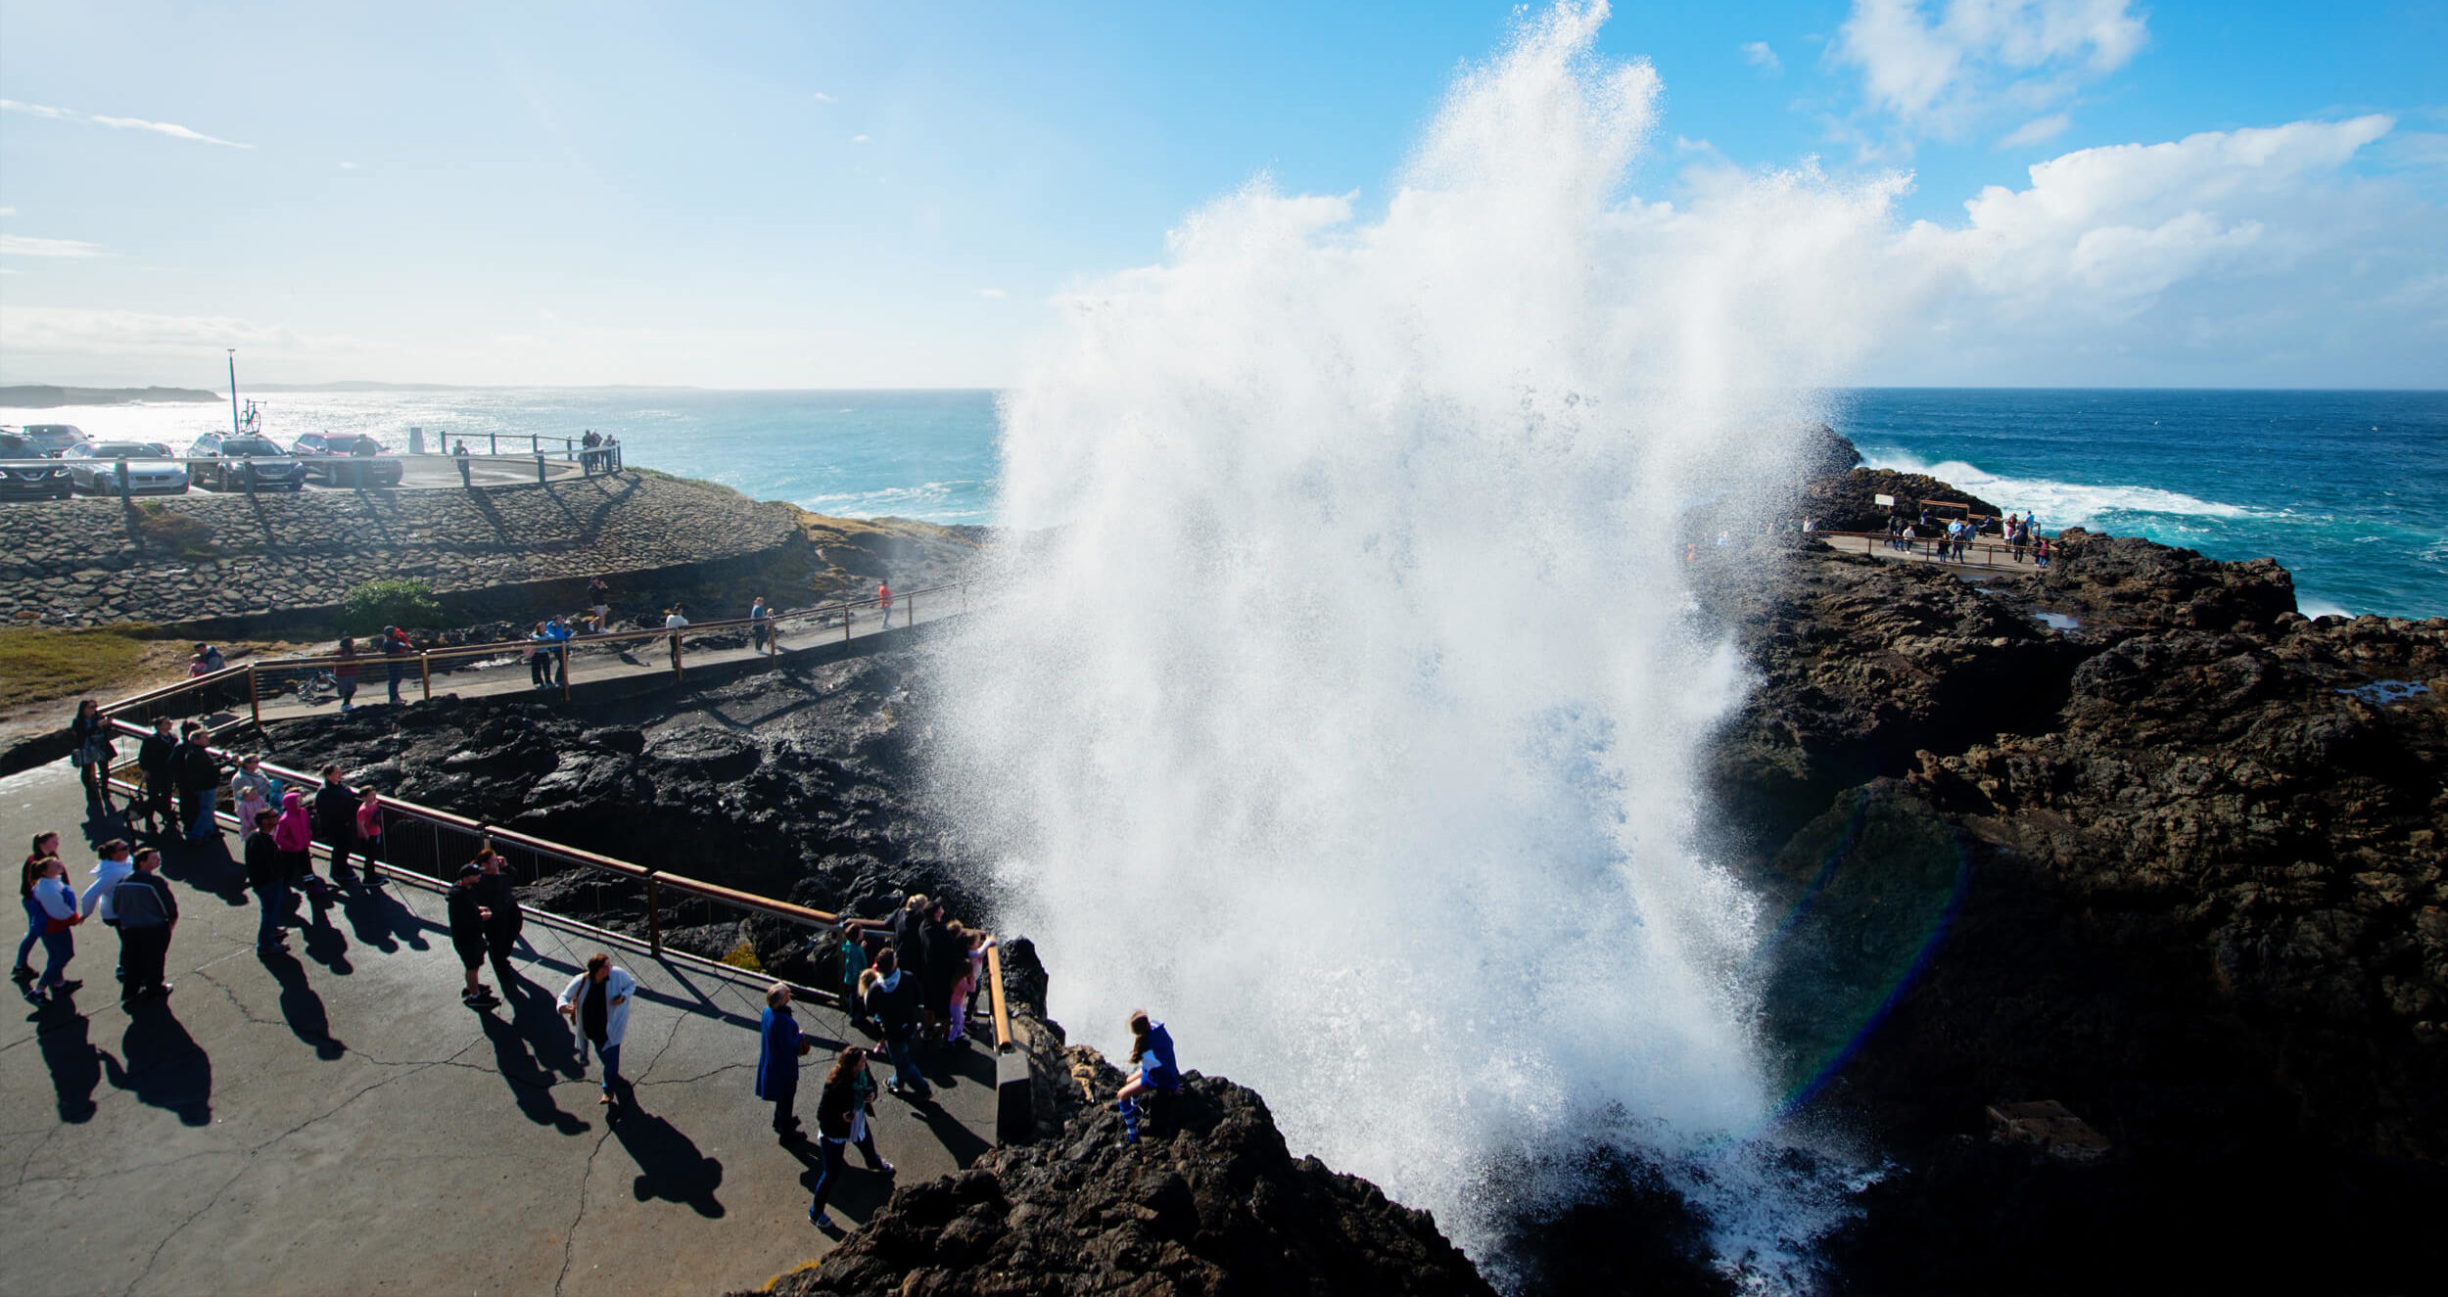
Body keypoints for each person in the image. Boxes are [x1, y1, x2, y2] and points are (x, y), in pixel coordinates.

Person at [807, 1046, 893, 1229]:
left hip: (857, 1121)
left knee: (868, 1147)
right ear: (853, 1065)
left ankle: (876, 1163)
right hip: (835, 1131)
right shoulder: (835, 1085)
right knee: (830, 1173)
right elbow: (822, 1114)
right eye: (863, 1060)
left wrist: (872, 1094)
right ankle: (815, 1212)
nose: (866, 1061)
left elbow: (872, 1084)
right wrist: (842, 1117)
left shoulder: (862, 1071)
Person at [557, 953, 636, 1107]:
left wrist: (623, 997)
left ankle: (608, 1090)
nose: (610, 968)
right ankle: (612, 1074)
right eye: (605, 966)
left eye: (609, 965)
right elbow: (564, 996)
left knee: (611, 1060)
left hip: (612, 1028)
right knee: (604, 1055)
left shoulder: (617, 974)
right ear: (596, 970)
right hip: (591, 1028)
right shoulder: (581, 981)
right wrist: (563, 1007)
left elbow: (631, 984)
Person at [111, 848, 177, 1001]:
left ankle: (130, 992)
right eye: (153, 858)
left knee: (132, 960)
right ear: (142, 863)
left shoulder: (122, 882)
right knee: (155, 959)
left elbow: (116, 906)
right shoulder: (154, 882)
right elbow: (168, 906)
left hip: (130, 929)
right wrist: (171, 922)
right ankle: (154, 988)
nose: (158, 860)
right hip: (153, 928)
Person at [867, 948, 929, 1100]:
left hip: (891, 1031)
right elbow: (919, 997)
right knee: (903, 1060)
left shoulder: (875, 988)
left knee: (901, 1060)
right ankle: (913, 1086)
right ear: (894, 964)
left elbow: (870, 1008)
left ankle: (907, 1084)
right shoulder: (908, 978)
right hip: (909, 1024)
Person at [757, 982, 813, 1137]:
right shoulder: (782, 1022)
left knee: (782, 1097)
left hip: (773, 1062)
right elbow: (790, 1046)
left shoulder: (768, 1012)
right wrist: (800, 1036)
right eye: (787, 995)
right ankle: (786, 1131)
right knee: (787, 1097)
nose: (789, 995)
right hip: (784, 1068)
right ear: (781, 1001)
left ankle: (780, 1120)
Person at [1116, 1009, 1180, 1145]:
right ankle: (1136, 1109)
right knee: (1128, 1080)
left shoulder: (1147, 1044)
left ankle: (1133, 1136)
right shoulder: (1158, 1026)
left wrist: (1171, 1088)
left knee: (1122, 1095)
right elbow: (1165, 1051)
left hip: (1160, 1076)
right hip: (1168, 1067)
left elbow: (1153, 1072)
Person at [26, 856, 83, 1000]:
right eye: (54, 865)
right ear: (45, 872)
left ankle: (58, 983)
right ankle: (39, 990)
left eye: (58, 863)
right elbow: (58, 911)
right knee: (65, 954)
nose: (59, 865)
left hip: (47, 928)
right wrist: (74, 919)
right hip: (54, 928)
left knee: (54, 956)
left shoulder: (48, 883)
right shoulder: (48, 889)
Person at [473, 849, 524, 991]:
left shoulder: (500, 874)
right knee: (497, 941)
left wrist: (506, 866)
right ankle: (501, 966)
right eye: (493, 860)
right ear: (484, 864)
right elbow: (500, 885)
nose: (497, 862)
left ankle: (503, 956)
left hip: (509, 908)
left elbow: (513, 878)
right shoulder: (481, 879)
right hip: (495, 915)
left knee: (514, 929)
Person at [15, 834, 63, 982]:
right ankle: (55, 981)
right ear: (42, 843)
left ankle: (20, 965)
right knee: (46, 938)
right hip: (35, 903)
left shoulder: (51, 856)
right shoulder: (34, 862)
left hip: (40, 902)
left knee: (35, 933)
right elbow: (34, 888)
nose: (57, 843)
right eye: (53, 841)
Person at [446, 864, 496, 1004]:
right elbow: (467, 918)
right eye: (476, 874)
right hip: (467, 939)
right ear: (466, 878)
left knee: (474, 965)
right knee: (472, 968)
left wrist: (478, 909)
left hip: (470, 937)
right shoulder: (459, 897)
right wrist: (484, 915)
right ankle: (475, 996)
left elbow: (469, 910)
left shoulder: (463, 890)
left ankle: (472, 987)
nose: (479, 876)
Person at [76, 839, 135, 957]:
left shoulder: (126, 861)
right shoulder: (111, 873)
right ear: (113, 855)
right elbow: (90, 895)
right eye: (123, 848)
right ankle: (124, 969)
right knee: (131, 943)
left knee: (133, 942)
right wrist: (86, 913)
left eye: (127, 846)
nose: (128, 849)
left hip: (128, 909)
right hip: (117, 914)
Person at [244, 810, 289, 952]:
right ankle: (265, 944)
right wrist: (278, 875)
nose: (277, 818)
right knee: (269, 912)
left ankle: (272, 930)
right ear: (264, 821)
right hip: (268, 883)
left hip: (266, 882)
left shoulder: (256, 837)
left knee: (272, 911)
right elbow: (267, 864)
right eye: (274, 817)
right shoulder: (261, 841)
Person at [273, 789, 329, 900]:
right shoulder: (285, 820)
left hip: (303, 847)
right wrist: (292, 846)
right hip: (290, 851)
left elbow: (306, 826)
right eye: (297, 801)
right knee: (288, 871)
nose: (300, 803)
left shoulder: (303, 813)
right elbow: (279, 838)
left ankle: (311, 887)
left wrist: (308, 835)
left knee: (307, 868)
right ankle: (281, 888)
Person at [174, 724, 227, 841]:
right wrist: (226, 762)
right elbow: (209, 768)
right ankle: (195, 835)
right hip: (205, 786)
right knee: (205, 811)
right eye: (204, 737)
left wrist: (220, 759)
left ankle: (208, 831)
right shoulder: (195, 753)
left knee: (208, 810)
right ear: (195, 740)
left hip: (205, 785)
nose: (207, 739)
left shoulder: (197, 751)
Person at [69, 699, 116, 813]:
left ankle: (105, 789)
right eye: (91, 707)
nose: (93, 709)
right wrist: (96, 726)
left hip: (100, 746)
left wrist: (107, 724)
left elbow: (105, 731)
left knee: (104, 769)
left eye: (95, 706)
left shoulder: (98, 717)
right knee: (86, 770)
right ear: (84, 709)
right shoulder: (78, 721)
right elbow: (83, 734)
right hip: (86, 747)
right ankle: (90, 791)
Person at [316, 765, 360, 883]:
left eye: (340, 772)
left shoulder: (339, 785)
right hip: (337, 826)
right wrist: (344, 820)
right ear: (328, 775)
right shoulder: (325, 792)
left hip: (345, 823)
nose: (340, 774)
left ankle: (342, 867)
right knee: (340, 848)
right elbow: (330, 812)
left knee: (345, 846)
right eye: (337, 773)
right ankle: (338, 872)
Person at [135, 717, 178, 836]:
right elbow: (143, 757)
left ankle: (167, 816)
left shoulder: (173, 738)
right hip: (154, 773)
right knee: (153, 797)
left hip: (168, 773)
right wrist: (145, 770)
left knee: (167, 795)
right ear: (159, 726)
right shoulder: (150, 740)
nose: (170, 724)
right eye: (166, 723)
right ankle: (149, 822)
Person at [834, 926, 872, 1032]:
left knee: (852, 996)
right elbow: (858, 965)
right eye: (860, 932)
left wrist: (860, 947)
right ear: (857, 937)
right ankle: (858, 1017)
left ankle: (852, 1012)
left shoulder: (848, 946)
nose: (862, 933)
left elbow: (846, 948)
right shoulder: (857, 950)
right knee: (859, 999)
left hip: (849, 977)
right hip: (857, 979)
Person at [231, 755, 275, 841]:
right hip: (249, 810)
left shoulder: (259, 772)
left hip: (259, 806)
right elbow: (252, 793)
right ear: (247, 764)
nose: (258, 764)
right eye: (255, 762)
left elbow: (266, 783)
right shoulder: (241, 778)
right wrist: (268, 787)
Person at [353, 786, 386, 885]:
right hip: (369, 836)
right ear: (364, 797)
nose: (374, 796)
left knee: (373, 856)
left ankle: (373, 874)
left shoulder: (375, 804)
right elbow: (361, 824)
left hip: (376, 833)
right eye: (371, 795)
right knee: (369, 857)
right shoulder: (363, 810)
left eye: (374, 794)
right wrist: (366, 836)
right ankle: (368, 878)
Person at [381, 626, 411, 704]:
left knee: (396, 680)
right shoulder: (389, 642)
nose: (396, 633)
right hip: (393, 664)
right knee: (393, 681)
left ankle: (397, 697)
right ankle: (393, 699)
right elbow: (402, 646)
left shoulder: (395, 640)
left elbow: (405, 645)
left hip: (398, 663)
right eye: (394, 632)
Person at [545, 616, 574, 688]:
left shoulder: (563, 625)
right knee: (562, 662)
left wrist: (567, 628)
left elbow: (568, 634)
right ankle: (559, 679)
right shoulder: (551, 626)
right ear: (555, 620)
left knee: (564, 663)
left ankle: (562, 679)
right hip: (557, 647)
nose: (561, 621)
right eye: (559, 620)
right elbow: (554, 636)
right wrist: (561, 630)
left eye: (561, 619)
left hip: (565, 646)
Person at [334, 636, 360, 711]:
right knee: (344, 690)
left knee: (352, 689)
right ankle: (345, 705)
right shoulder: (339, 652)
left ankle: (347, 704)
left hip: (351, 673)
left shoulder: (352, 651)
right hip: (342, 674)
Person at [663, 605, 688, 671]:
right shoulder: (679, 618)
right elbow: (685, 624)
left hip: (671, 635)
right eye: (681, 611)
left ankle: (673, 663)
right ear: (679, 611)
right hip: (677, 635)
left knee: (673, 649)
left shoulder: (669, 617)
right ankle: (678, 664)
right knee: (678, 649)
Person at [527, 623, 552, 688]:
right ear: (538, 628)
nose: (544, 628)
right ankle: (538, 682)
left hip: (544, 652)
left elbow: (552, 637)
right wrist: (544, 639)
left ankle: (548, 681)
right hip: (536, 653)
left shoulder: (547, 633)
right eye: (542, 627)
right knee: (536, 668)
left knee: (547, 668)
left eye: (544, 627)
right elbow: (534, 638)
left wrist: (545, 638)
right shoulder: (533, 634)